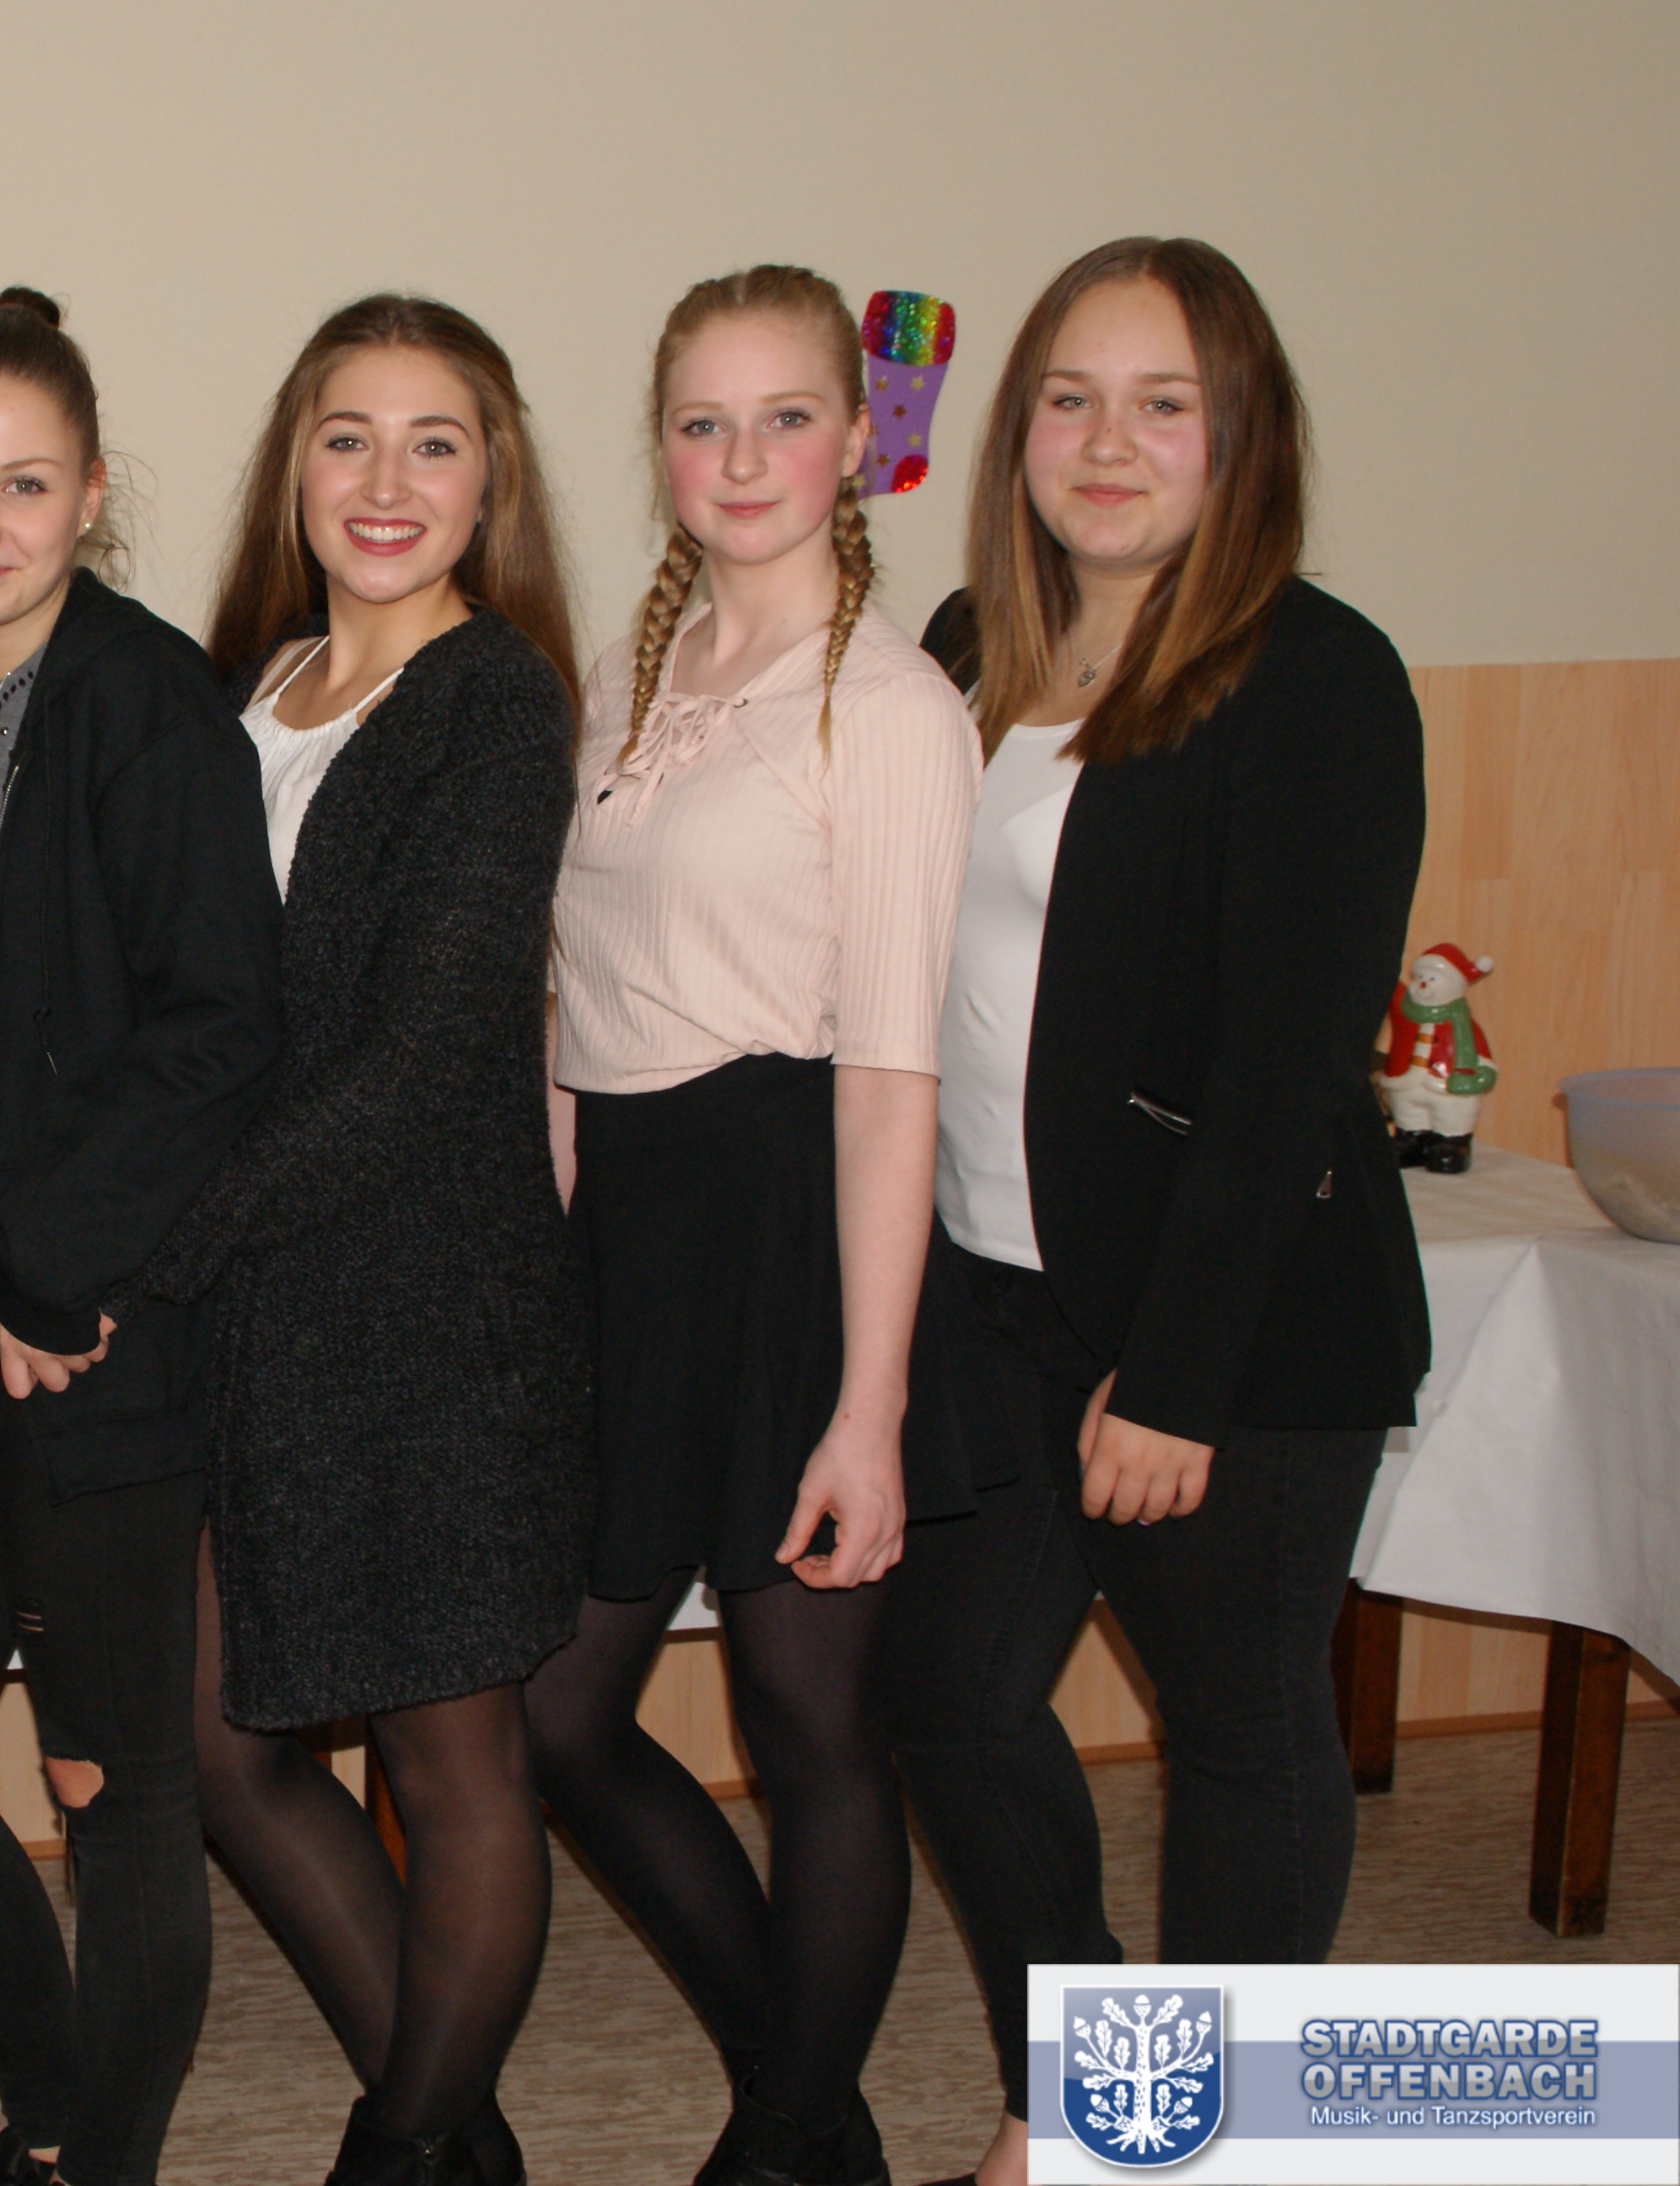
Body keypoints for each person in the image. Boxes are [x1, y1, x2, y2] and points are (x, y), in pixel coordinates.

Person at [880, 237, 1428, 2186]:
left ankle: (1189, 2149)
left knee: (1238, 1734)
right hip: (994, 1303)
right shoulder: (970, 646)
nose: (1107, 444)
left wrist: (1178, 1379)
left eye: (1162, 404)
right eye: (1071, 399)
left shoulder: (1317, 678)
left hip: (1233, 1334)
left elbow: (1287, 1071)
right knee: (946, 1701)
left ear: (1239, 435)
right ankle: (1093, 2086)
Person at [525, 264, 982, 2186]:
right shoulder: (630, 675)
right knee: (554, 1714)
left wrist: (869, 1413)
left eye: (784, 417)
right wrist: (550, 1275)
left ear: (858, 440)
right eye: (700, 423)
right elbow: (572, 1009)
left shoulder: (885, 710)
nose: (739, 458)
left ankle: (783, 2136)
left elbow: (889, 1079)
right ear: (659, 448)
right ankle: (819, 2115)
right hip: (629, 1242)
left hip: (797, 1228)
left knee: (810, 1734)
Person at [131, 294, 589, 2186]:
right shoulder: (247, 688)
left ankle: (399, 2149)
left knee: (451, 1759)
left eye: (433, 442)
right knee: (222, 1746)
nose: (385, 482)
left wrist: (154, 1246)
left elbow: (418, 1063)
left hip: (427, 1302)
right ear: (294, 467)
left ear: (490, 485)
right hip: (262, 1308)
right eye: (348, 437)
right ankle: (457, 2142)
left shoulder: (495, 702)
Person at [0, 289, 288, 2186]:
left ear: (92, 491)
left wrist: (56, 1269)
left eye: (24, 484)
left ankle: (95, 2163)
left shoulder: (141, 698)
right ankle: (56, 2117)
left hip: (94, 1335)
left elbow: (220, 1026)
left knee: (113, 1787)